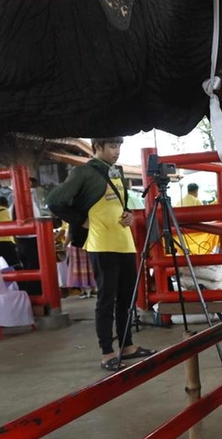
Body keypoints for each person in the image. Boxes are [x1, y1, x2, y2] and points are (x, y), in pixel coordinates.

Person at [47, 136, 154, 371]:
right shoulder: (83, 172)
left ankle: (127, 345)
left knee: (127, 298)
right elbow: (54, 201)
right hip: (101, 243)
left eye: (119, 146)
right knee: (107, 298)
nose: (117, 151)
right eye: (113, 146)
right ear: (98, 147)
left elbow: (118, 203)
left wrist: (128, 215)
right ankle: (107, 352)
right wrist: (80, 220)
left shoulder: (116, 172)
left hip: (124, 242)